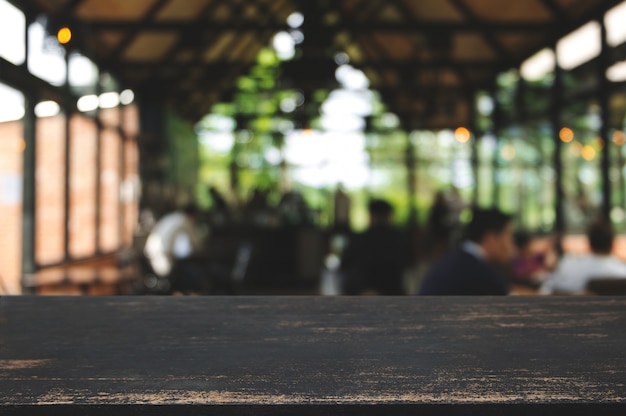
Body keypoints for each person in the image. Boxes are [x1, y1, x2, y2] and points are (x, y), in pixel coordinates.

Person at [418, 207, 515, 295]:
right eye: (509, 237)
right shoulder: (482, 275)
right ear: (491, 238)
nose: (513, 246)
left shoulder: (454, 260)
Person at [340, 199, 412, 295]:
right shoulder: (400, 239)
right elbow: (409, 266)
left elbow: (344, 266)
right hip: (393, 294)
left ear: (371, 216)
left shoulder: (358, 239)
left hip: (361, 294)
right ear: (389, 216)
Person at [539, 219, 626, 295]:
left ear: (589, 242)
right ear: (612, 243)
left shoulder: (569, 265)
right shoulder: (622, 271)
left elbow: (547, 290)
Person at [144, 203, 209, 293]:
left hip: (150, 252)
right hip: (161, 257)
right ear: (194, 215)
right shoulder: (185, 221)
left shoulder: (174, 217)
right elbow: (197, 244)